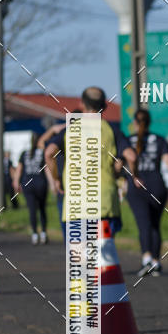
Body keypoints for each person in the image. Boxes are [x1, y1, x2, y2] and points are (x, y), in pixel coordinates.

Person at [45, 87, 137, 241]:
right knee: (103, 252)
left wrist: (56, 178)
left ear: (81, 104)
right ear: (105, 106)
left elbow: (49, 152)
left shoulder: (70, 130)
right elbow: (132, 157)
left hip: (76, 203)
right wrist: (135, 176)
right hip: (104, 202)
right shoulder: (112, 131)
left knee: (79, 257)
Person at [126, 108, 168, 278]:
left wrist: (130, 178)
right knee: (155, 224)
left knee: (143, 224)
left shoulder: (128, 140)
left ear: (135, 123)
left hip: (137, 187)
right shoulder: (159, 140)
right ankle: (156, 261)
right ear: (149, 122)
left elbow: (124, 162)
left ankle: (146, 259)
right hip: (158, 186)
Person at [15, 134, 49, 244]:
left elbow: (19, 170)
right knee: (42, 208)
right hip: (40, 183)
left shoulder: (24, 153)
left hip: (27, 184)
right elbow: (47, 169)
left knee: (32, 210)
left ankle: (35, 234)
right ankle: (43, 233)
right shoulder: (42, 153)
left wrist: (16, 182)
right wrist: (53, 183)